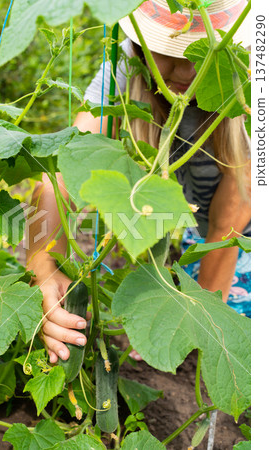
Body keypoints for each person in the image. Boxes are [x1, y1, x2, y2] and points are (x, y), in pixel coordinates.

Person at [26, 0, 251, 364]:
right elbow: (63, 167)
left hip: (247, 227)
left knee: (233, 326)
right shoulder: (126, 64)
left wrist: (196, 320)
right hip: (202, 221)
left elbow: (234, 215)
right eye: (167, 49)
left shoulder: (251, 79)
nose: (186, 68)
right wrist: (42, 266)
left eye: (202, 50)